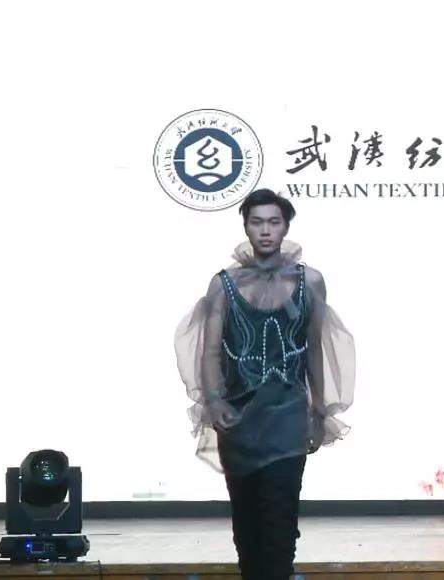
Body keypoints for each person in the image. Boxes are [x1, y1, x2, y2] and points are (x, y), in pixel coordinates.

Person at [174, 188, 356, 579]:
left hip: (288, 415)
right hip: (240, 420)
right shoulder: (224, 284)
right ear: (246, 227)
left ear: (286, 226)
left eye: (274, 222)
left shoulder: (310, 281)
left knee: (280, 517)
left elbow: (314, 348)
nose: (266, 230)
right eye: (257, 222)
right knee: (247, 520)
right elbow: (210, 350)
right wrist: (214, 399)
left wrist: (319, 412)